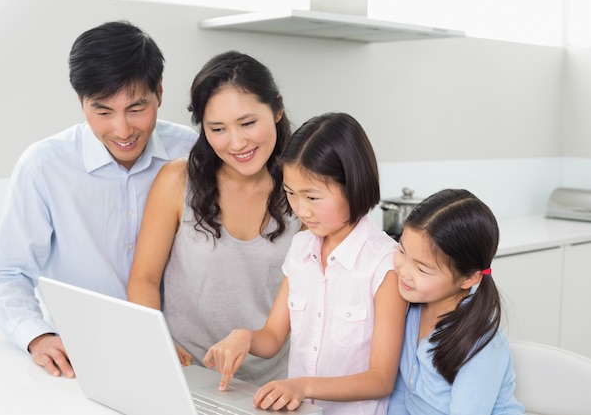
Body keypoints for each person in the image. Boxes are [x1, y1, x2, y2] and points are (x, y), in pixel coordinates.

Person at [0, 21, 197, 379]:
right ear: (80, 101)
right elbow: (5, 273)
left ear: (159, 92)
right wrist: (38, 336)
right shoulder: (43, 167)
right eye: (103, 111)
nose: (123, 130)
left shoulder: (189, 152)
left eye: (136, 109)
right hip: (83, 358)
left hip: (182, 354)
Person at [203, 112, 407, 415]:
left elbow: (380, 379)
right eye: (291, 194)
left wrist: (302, 386)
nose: (301, 210)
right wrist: (244, 337)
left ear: (353, 185)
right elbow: (273, 336)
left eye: (312, 197)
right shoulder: (300, 248)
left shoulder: (384, 263)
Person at [126, 50, 301, 385]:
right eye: (217, 128)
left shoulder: (303, 190)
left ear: (277, 109)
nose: (237, 143)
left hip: (273, 384)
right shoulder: (178, 181)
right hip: (188, 373)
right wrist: (158, 342)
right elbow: (144, 278)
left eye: (248, 123)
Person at [388, 189, 525, 414]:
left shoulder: (481, 345)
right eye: (401, 251)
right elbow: (401, 396)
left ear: (469, 277)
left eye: (422, 268)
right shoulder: (411, 310)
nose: (404, 271)